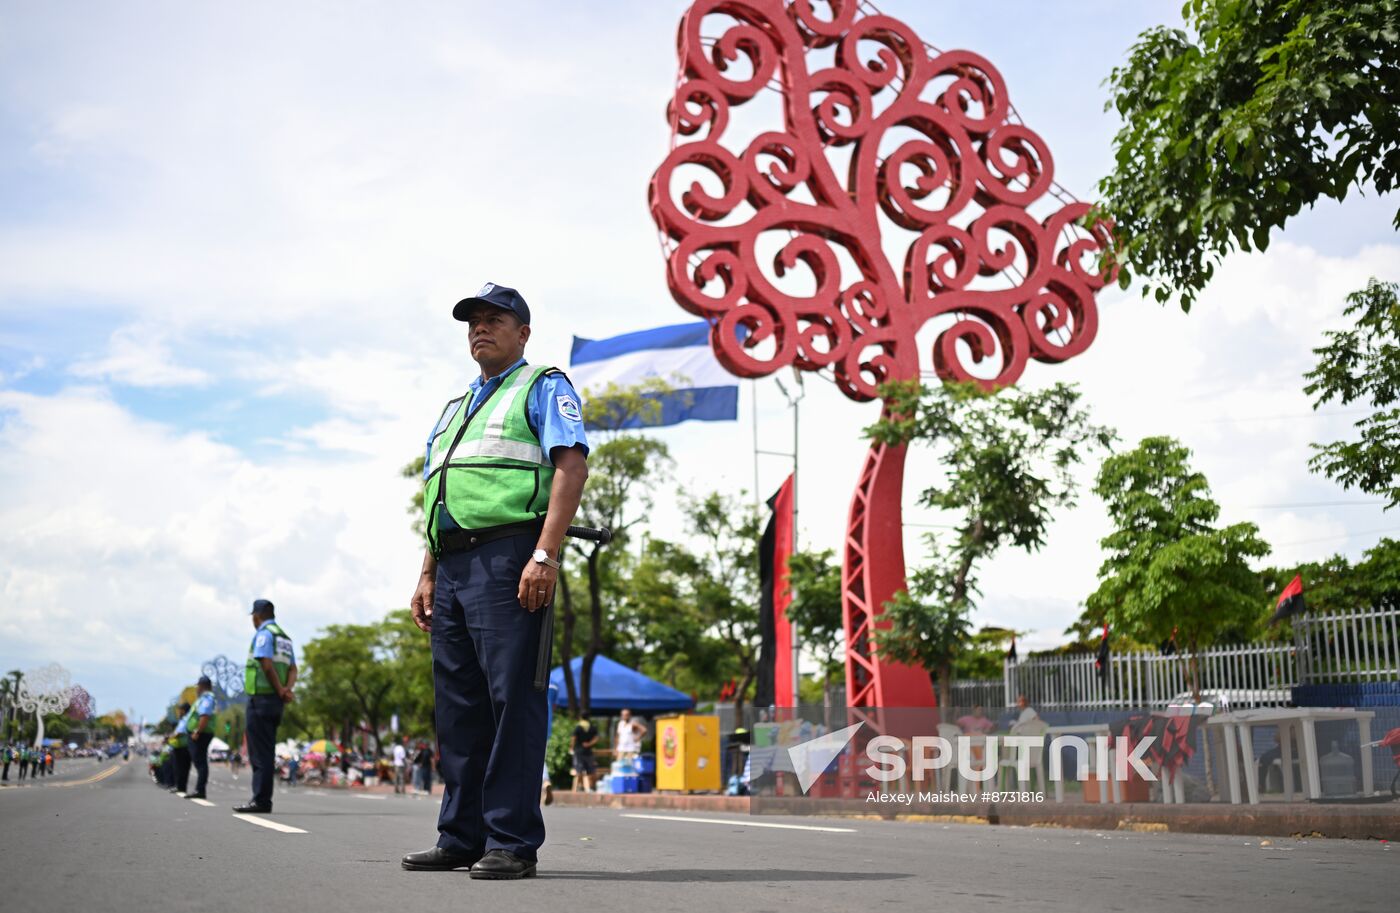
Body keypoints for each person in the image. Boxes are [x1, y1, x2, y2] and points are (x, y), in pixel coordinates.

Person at [401, 282, 589, 881]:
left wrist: (546, 554)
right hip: (452, 566)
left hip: (511, 557)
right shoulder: (455, 408)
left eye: (494, 320)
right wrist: (428, 571)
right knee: (458, 708)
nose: (480, 329)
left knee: (514, 702)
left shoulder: (542, 386)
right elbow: (438, 493)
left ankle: (510, 840)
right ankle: (461, 836)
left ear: (523, 333)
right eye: (473, 322)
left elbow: (571, 463)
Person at [235, 597, 296, 814]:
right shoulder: (285, 639)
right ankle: (263, 799)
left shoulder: (264, 634)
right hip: (276, 702)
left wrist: (279, 689)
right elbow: (292, 669)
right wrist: (287, 690)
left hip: (262, 699)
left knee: (259, 752)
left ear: (257, 616)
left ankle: (260, 800)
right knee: (267, 749)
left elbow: (266, 665)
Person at [187, 676, 216, 800]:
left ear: (203, 686)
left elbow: (204, 716)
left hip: (201, 733)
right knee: (199, 760)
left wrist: (198, 731)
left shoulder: (207, 698)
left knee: (200, 761)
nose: (196, 689)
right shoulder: (204, 698)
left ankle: (200, 789)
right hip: (200, 732)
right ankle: (199, 789)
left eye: (198, 686)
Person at [170, 702, 193, 795]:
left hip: (183, 746)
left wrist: (173, 736)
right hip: (182, 746)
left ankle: (181, 787)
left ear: (183, 710)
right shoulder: (184, 719)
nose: (178, 712)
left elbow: (181, 731)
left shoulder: (186, 719)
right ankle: (180, 786)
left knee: (181, 767)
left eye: (180, 709)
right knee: (181, 767)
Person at [571, 718, 598, 793]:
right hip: (588, 752)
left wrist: (571, 747)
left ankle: (578, 788)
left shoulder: (578, 727)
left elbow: (573, 738)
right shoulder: (592, 727)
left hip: (578, 752)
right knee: (590, 771)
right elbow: (596, 738)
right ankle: (589, 788)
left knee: (579, 771)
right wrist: (589, 744)